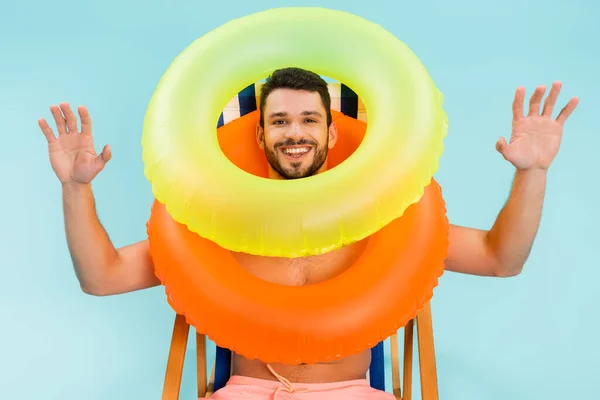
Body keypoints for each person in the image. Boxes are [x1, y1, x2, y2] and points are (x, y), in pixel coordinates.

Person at [38, 67, 578, 399]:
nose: (294, 133)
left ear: (331, 130)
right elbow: (102, 278)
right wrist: (75, 189)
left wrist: (532, 172)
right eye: (279, 121)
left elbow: (499, 257)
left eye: (308, 119)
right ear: (261, 132)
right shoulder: (218, 220)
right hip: (247, 394)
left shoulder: (383, 214)